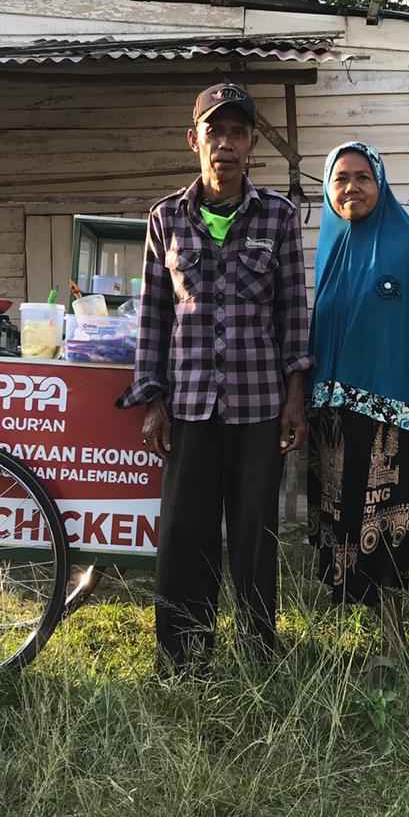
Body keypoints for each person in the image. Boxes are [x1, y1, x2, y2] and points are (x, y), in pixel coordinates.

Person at [117, 83, 311, 674]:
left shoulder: (277, 217)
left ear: (252, 144)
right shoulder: (165, 217)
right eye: (213, 132)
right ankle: (183, 658)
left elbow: (293, 313)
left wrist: (295, 398)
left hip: (259, 405)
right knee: (185, 534)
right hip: (190, 403)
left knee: (255, 537)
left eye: (236, 133)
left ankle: (258, 656)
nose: (224, 144)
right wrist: (153, 399)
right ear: (194, 140)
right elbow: (153, 312)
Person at [307, 142, 409, 681]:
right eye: (340, 178)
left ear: (381, 183)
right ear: (328, 188)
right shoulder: (332, 249)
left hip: (399, 422)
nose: (351, 187)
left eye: (362, 177)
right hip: (338, 423)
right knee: (367, 541)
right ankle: (389, 645)